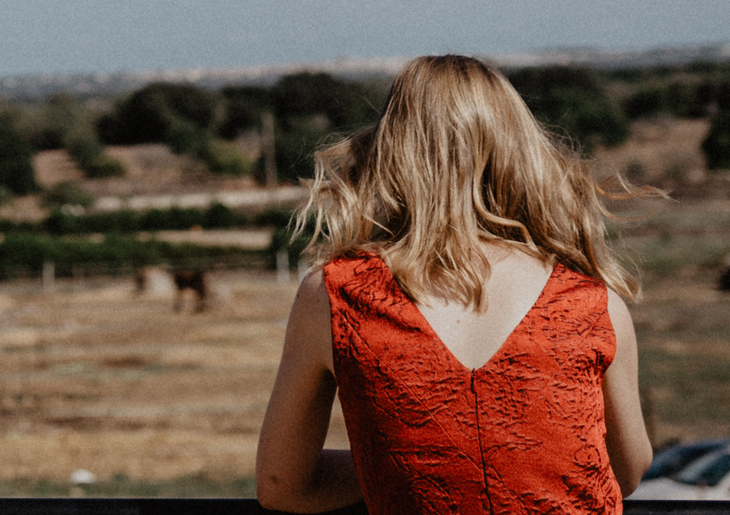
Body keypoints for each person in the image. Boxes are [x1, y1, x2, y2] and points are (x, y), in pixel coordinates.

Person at [255, 54, 653, 515]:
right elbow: (627, 468)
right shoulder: (590, 302)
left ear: (389, 153)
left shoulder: (336, 296)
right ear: (520, 154)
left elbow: (282, 484)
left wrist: (403, 466)